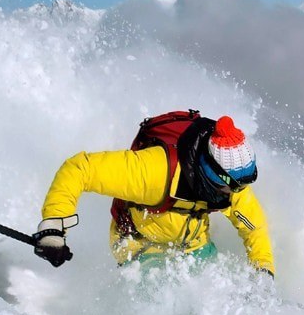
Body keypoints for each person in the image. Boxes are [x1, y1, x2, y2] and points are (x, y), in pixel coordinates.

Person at [33, 111, 275, 276]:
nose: (238, 192)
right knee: (167, 296)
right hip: (140, 245)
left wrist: (263, 268)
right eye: (233, 185)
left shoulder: (230, 186)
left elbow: (253, 226)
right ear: (210, 170)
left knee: (216, 293)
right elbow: (80, 168)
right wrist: (54, 227)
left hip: (194, 245)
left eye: (243, 184)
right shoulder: (153, 171)